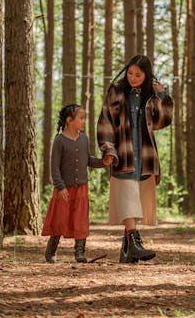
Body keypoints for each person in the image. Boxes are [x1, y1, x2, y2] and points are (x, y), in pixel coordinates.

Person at [98, 54, 173, 263]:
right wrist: (108, 148)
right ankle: (135, 242)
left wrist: (163, 96)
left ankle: (127, 251)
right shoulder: (117, 90)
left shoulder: (151, 93)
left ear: (146, 75)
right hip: (122, 153)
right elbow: (105, 120)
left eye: (138, 74)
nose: (133, 77)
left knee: (135, 198)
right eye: (130, 73)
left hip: (145, 154)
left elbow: (162, 121)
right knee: (128, 195)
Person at [43, 103, 111, 263]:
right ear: (69, 120)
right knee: (60, 219)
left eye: (84, 118)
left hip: (81, 187)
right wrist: (60, 187)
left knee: (80, 219)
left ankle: (80, 252)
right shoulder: (59, 141)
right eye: (81, 118)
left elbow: (88, 160)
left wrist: (103, 162)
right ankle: (51, 249)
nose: (84, 121)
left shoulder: (84, 139)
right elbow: (54, 168)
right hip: (63, 188)